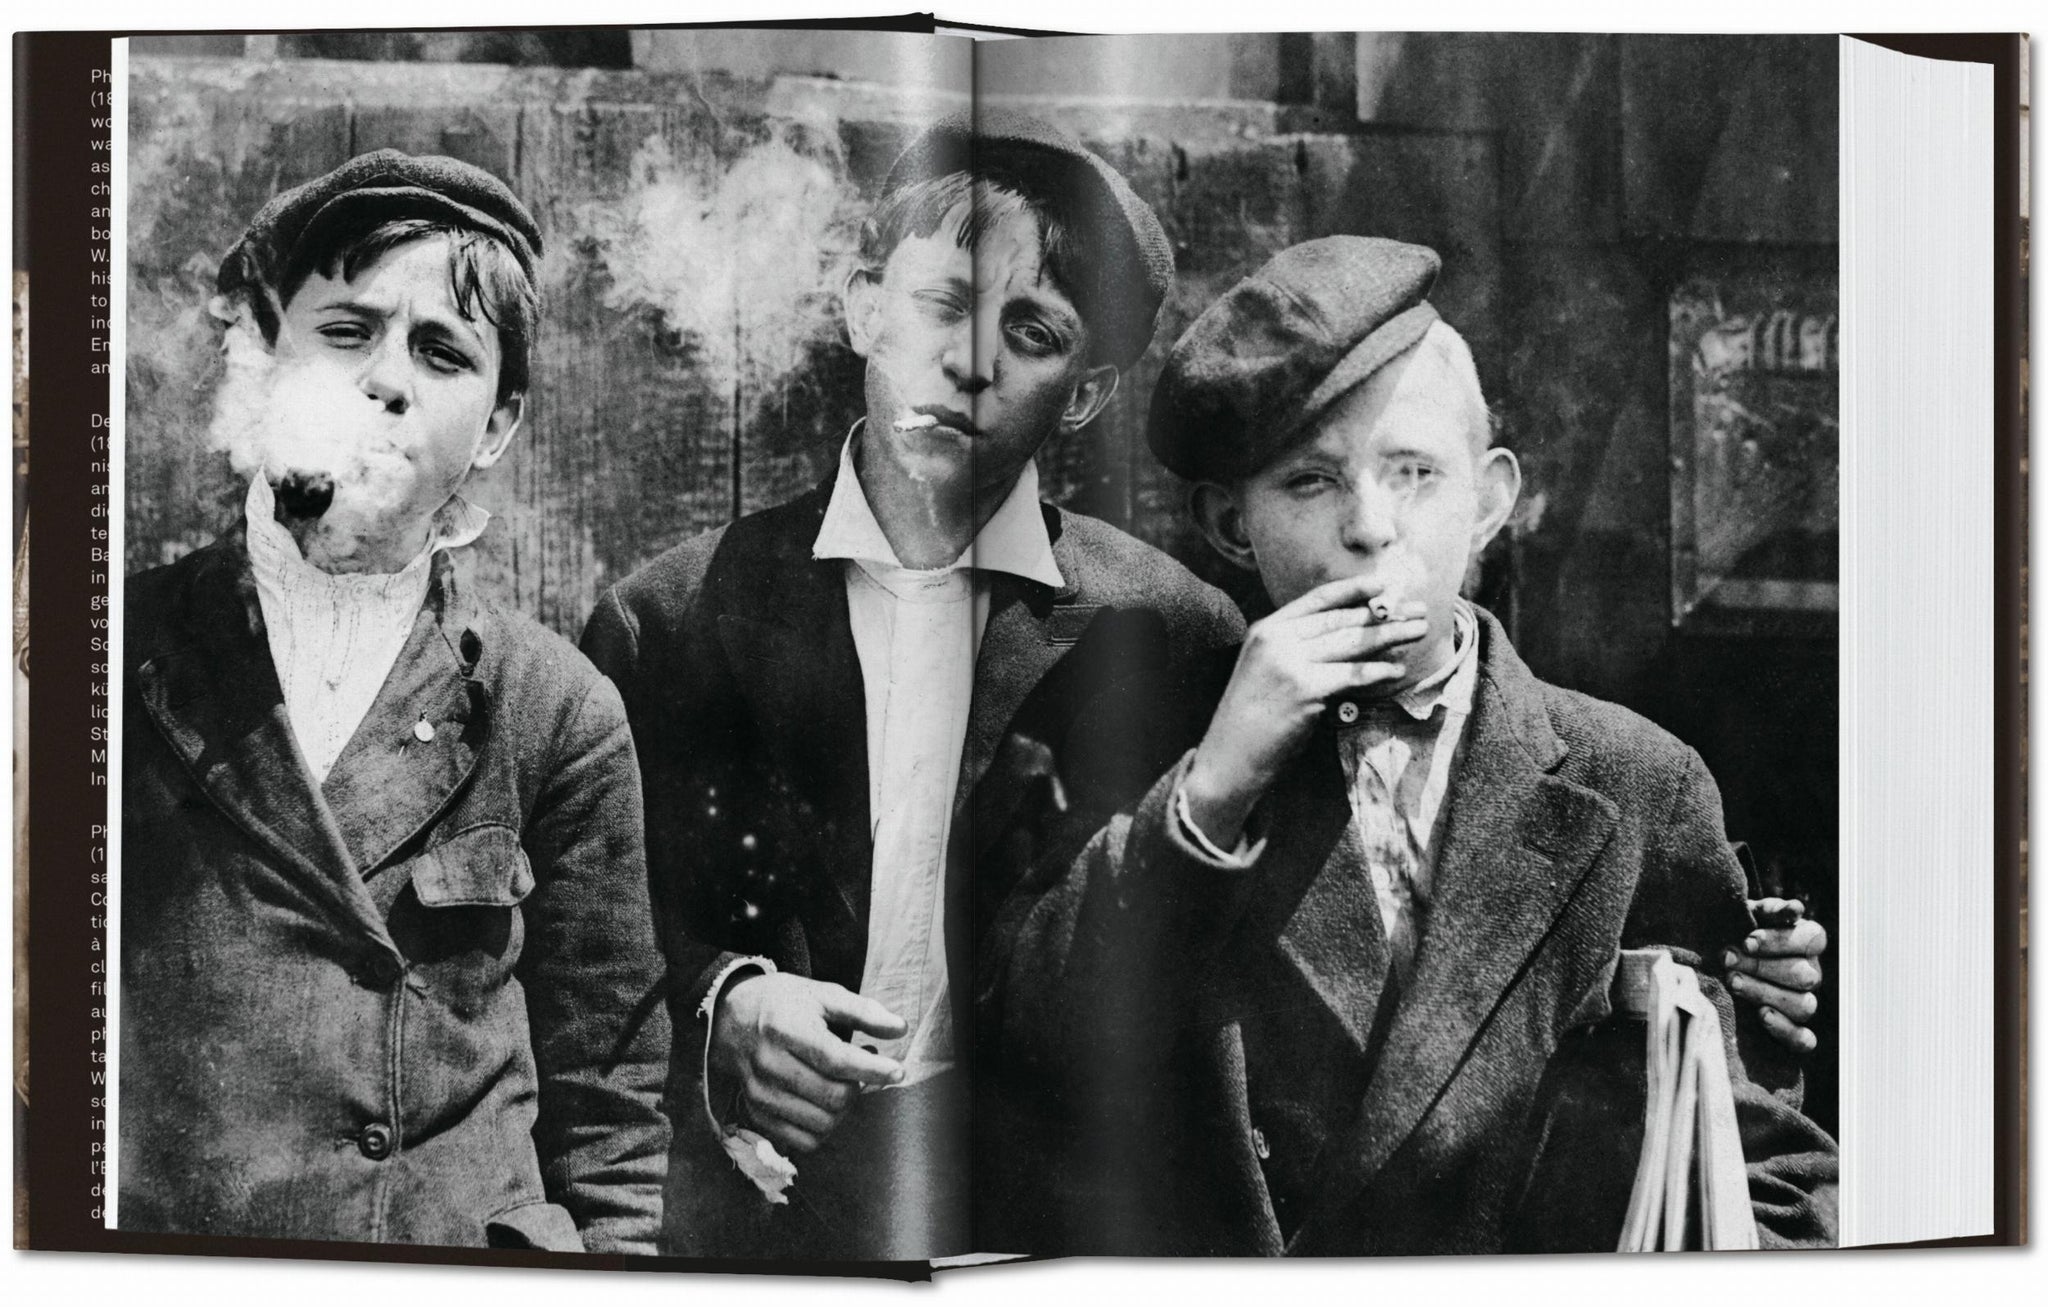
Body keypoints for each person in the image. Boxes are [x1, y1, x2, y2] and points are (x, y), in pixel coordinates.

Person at [976, 236, 1839, 1255]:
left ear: (1490, 499)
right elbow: (1030, 1053)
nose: (1370, 527)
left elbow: (1765, 1179)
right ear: (1229, 525)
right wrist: (1211, 790)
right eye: (1310, 481)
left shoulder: (1634, 778)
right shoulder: (1149, 746)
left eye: (1415, 472)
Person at [580, 111, 1245, 1259]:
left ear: (1082, 395)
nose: (969, 362)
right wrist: (722, 1001)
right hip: (751, 1220)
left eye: (1030, 332)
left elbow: (1196, 987)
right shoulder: (671, 618)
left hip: (1042, 1219)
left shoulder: (1169, 637)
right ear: (861, 309)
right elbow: (593, 941)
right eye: (940, 302)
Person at [120, 151, 671, 1252]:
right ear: (262, 359)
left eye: (441, 351)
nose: (386, 379)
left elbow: (611, 1113)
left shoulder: (553, 707)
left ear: (497, 425)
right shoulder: (116, 649)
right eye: (345, 330)